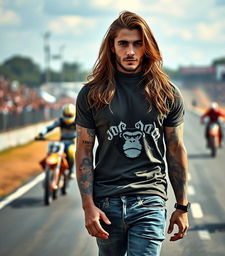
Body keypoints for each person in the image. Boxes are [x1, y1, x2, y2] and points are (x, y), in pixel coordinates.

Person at [75, 11, 189, 256]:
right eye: (123, 44)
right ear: (112, 47)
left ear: (147, 47)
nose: (130, 51)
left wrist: (182, 206)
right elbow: (84, 150)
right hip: (106, 202)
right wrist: (88, 207)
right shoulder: (91, 94)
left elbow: (175, 149)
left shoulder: (166, 93)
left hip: (150, 199)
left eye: (138, 44)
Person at [36, 103, 76, 178]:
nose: (67, 117)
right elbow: (50, 127)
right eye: (66, 115)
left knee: (71, 152)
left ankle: (71, 171)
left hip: (72, 142)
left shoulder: (77, 122)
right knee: (52, 151)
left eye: (69, 115)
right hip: (61, 142)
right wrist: (41, 134)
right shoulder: (60, 121)